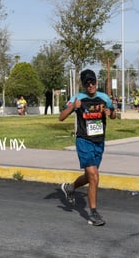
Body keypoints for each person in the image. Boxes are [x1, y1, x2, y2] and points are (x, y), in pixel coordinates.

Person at [59, 69, 116, 226]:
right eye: (87, 83)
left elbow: (113, 114)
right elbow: (61, 117)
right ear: (84, 85)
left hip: (99, 141)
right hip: (84, 141)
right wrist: (73, 107)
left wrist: (110, 112)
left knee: (91, 176)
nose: (90, 85)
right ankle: (94, 213)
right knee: (94, 176)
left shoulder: (104, 98)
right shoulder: (77, 98)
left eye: (93, 82)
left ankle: (70, 188)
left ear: (96, 81)